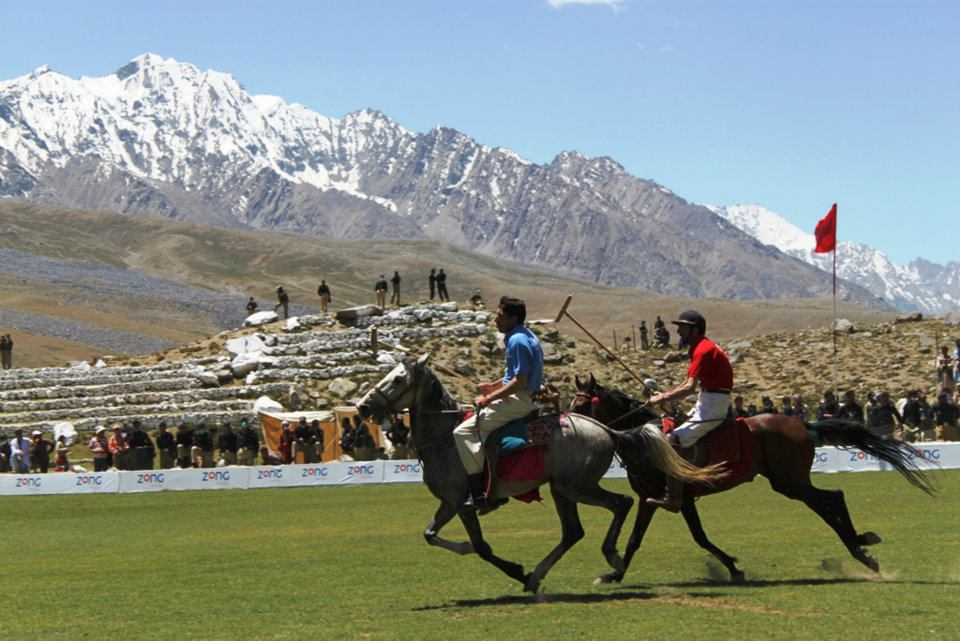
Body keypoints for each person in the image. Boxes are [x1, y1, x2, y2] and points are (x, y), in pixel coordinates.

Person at [453, 297, 543, 512]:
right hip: (520, 397)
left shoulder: (517, 341)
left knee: (462, 433)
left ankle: (480, 495)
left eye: (500, 316)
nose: (495, 320)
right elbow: (514, 377)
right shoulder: (523, 336)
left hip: (519, 401)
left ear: (513, 318)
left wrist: (489, 399)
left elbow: (520, 382)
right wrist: (491, 386)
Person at [646, 310, 733, 512]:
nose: (678, 331)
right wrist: (665, 394)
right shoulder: (699, 347)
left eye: (683, 327)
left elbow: (689, 388)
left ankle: (674, 498)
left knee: (672, 441)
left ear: (695, 330)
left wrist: (663, 397)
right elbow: (688, 382)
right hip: (708, 399)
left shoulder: (703, 350)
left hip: (714, 405)